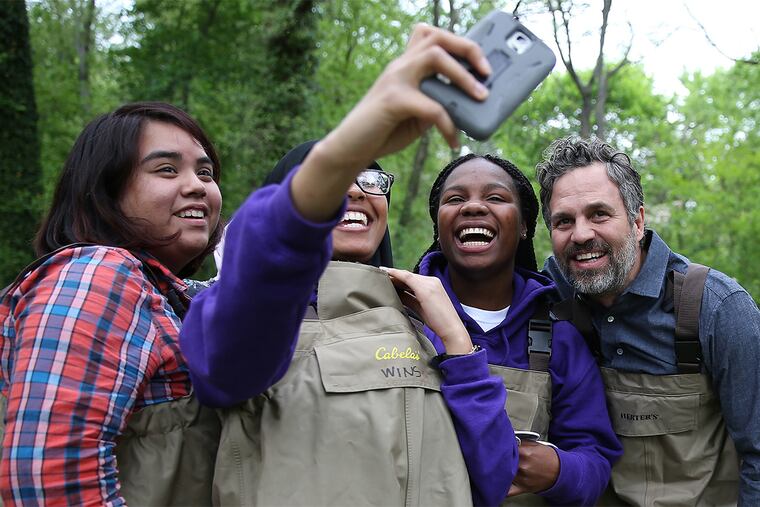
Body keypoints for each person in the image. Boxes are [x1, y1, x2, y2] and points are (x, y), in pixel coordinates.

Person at [179, 24, 496, 506]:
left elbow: (493, 477)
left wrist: (456, 340)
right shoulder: (242, 314)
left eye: (370, 178)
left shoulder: (425, 318)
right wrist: (352, 145)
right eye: (333, 184)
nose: (355, 190)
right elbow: (255, 294)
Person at [0, 102, 224, 505]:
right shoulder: (97, 274)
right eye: (167, 170)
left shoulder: (164, 292)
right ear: (106, 190)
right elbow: (48, 476)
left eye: (205, 173)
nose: (198, 186)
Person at [536, 136, 760, 506]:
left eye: (599, 214)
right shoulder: (544, 296)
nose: (581, 234)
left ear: (638, 220)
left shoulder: (718, 308)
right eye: (563, 221)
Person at [386, 153, 621, 506]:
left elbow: (595, 463)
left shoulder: (560, 334)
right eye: (455, 199)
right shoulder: (395, 312)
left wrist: (560, 470)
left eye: (495, 197)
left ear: (525, 224)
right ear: (439, 223)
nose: (473, 207)